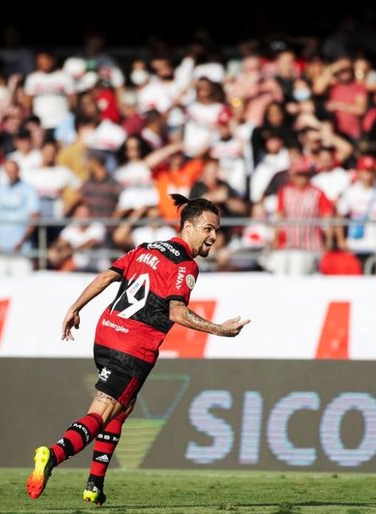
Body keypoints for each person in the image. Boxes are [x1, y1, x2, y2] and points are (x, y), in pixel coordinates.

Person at [26, 194, 250, 504]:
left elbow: (108, 276)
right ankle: (52, 454)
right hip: (133, 346)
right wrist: (219, 329)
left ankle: (94, 484)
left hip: (105, 334)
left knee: (124, 405)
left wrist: (75, 308)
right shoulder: (185, 265)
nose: (214, 237)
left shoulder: (147, 249)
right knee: (103, 410)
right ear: (188, 227)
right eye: (209, 229)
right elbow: (177, 312)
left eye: (217, 230)